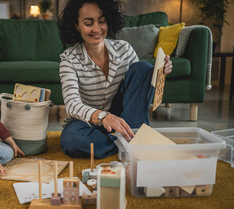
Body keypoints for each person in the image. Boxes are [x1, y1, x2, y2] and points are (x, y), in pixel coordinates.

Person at [58, 0, 172, 159]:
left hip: (121, 117)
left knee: (144, 68)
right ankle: (130, 141)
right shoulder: (68, 60)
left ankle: (123, 138)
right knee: (72, 140)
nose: (97, 28)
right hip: (87, 122)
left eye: (102, 21)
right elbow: (72, 105)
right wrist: (103, 117)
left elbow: (138, 88)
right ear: (76, 25)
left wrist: (160, 73)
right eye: (88, 23)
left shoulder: (124, 49)